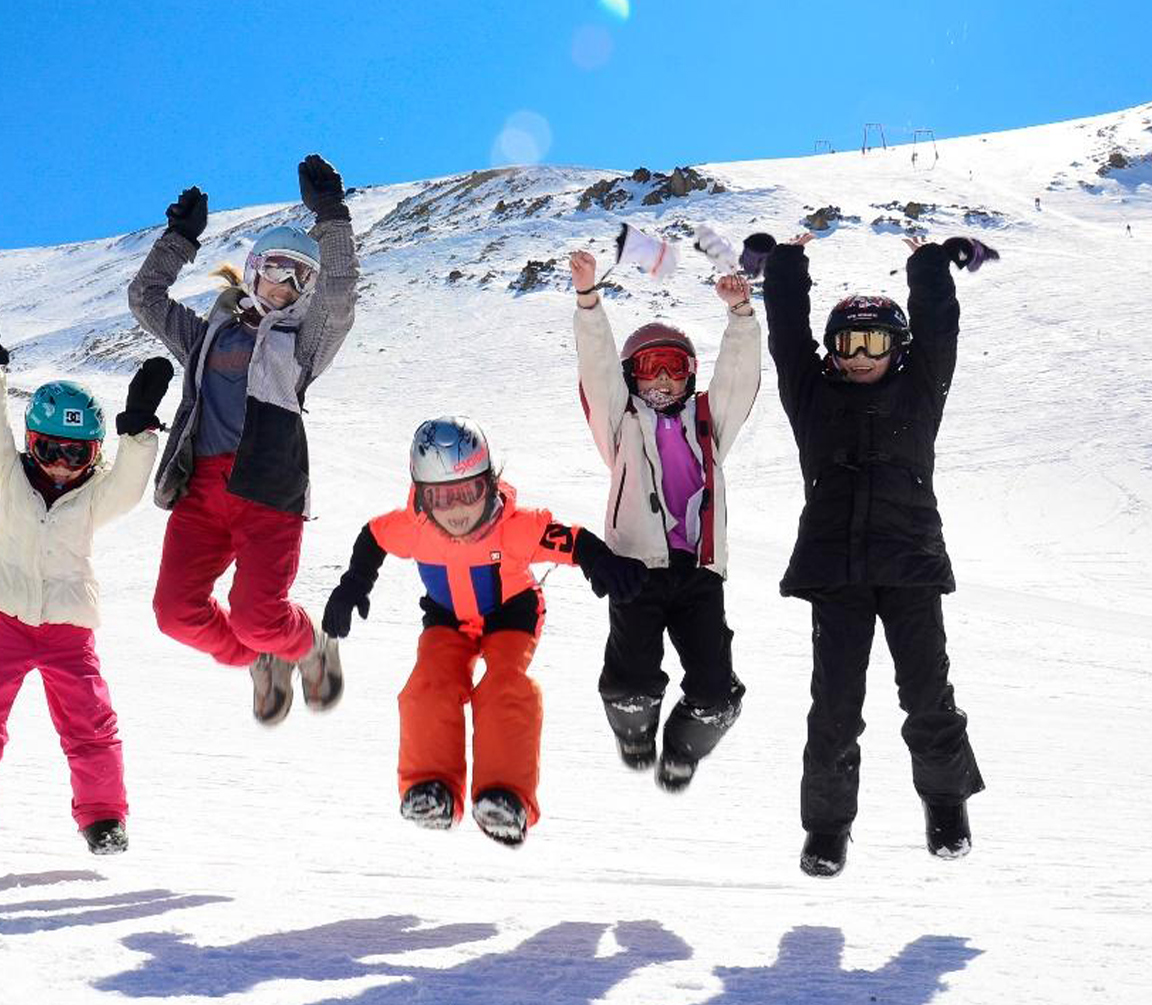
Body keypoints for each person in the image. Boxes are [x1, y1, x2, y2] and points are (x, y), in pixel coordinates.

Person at [761, 232, 987, 878]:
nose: (861, 358)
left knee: (927, 697)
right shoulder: (812, 399)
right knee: (834, 709)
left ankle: (946, 807)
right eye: (849, 345)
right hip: (837, 575)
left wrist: (927, 267)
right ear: (832, 352)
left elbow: (941, 334)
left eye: (875, 344)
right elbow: (784, 340)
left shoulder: (919, 398)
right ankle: (828, 830)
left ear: (897, 349)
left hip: (911, 569)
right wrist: (785, 264)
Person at [319, 417, 647, 847]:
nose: (456, 511)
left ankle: (506, 794)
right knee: (430, 684)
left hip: (510, 614)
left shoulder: (512, 526)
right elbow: (374, 537)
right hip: (447, 617)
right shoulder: (415, 527)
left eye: (468, 493)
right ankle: (431, 787)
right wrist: (353, 585)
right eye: (440, 497)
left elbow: (569, 539)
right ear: (420, 495)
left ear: (489, 484)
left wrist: (603, 562)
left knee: (505, 685)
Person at [0, 290, 168, 856]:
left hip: (67, 628)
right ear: (31, 445)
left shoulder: (94, 499)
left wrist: (138, 432)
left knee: (91, 724)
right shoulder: (10, 476)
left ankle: (104, 817)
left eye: (77, 455)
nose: (61, 464)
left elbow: (131, 487)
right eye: (51, 449)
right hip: (5, 620)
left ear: (94, 458)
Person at [128, 153, 358, 725]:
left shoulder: (303, 343)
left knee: (258, 615)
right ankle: (261, 656)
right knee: (175, 614)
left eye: (298, 277)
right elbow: (145, 299)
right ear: (253, 269)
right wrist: (180, 238)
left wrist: (330, 215)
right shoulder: (207, 335)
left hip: (268, 493)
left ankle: (305, 646)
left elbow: (340, 298)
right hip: (201, 492)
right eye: (275, 268)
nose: (283, 284)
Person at [569, 249, 763, 792]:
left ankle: (683, 747)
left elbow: (739, 382)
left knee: (715, 688)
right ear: (632, 376)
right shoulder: (621, 423)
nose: (661, 379)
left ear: (690, 375)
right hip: (636, 566)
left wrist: (742, 318)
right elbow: (597, 367)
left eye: (673, 368)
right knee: (632, 676)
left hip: (700, 572)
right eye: (649, 368)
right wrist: (588, 300)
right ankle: (633, 731)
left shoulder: (707, 421)